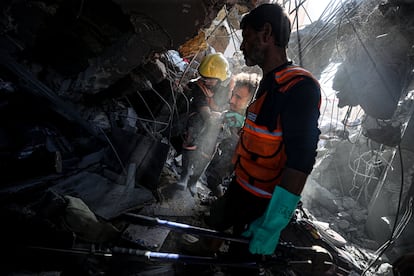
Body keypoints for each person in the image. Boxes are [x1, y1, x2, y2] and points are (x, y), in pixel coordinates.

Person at [205, 3, 321, 258]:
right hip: (242, 186)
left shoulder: (300, 88)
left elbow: (301, 162)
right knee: (216, 229)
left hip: (262, 202)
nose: (243, 45)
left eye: (247, 37)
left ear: (266, 34)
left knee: (241, 260)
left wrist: (271, 225)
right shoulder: (269, 81)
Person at [178, 52, 232, 196]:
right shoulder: (198, 87)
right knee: (190, 144)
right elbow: (204, 109)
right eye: (204, 77)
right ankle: (184, 175)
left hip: (215, 127)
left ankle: (193, 180)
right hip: (199, 122)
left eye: (210, 79)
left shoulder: (226, 91)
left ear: (221, 79)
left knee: (207, 152)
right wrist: (212, 118)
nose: (206, 81)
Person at [203, 72, 258, 198]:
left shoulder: (255, 124)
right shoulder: (231, 115)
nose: (232, 100)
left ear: (251, 102)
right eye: (233, 94)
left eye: (238, 97)